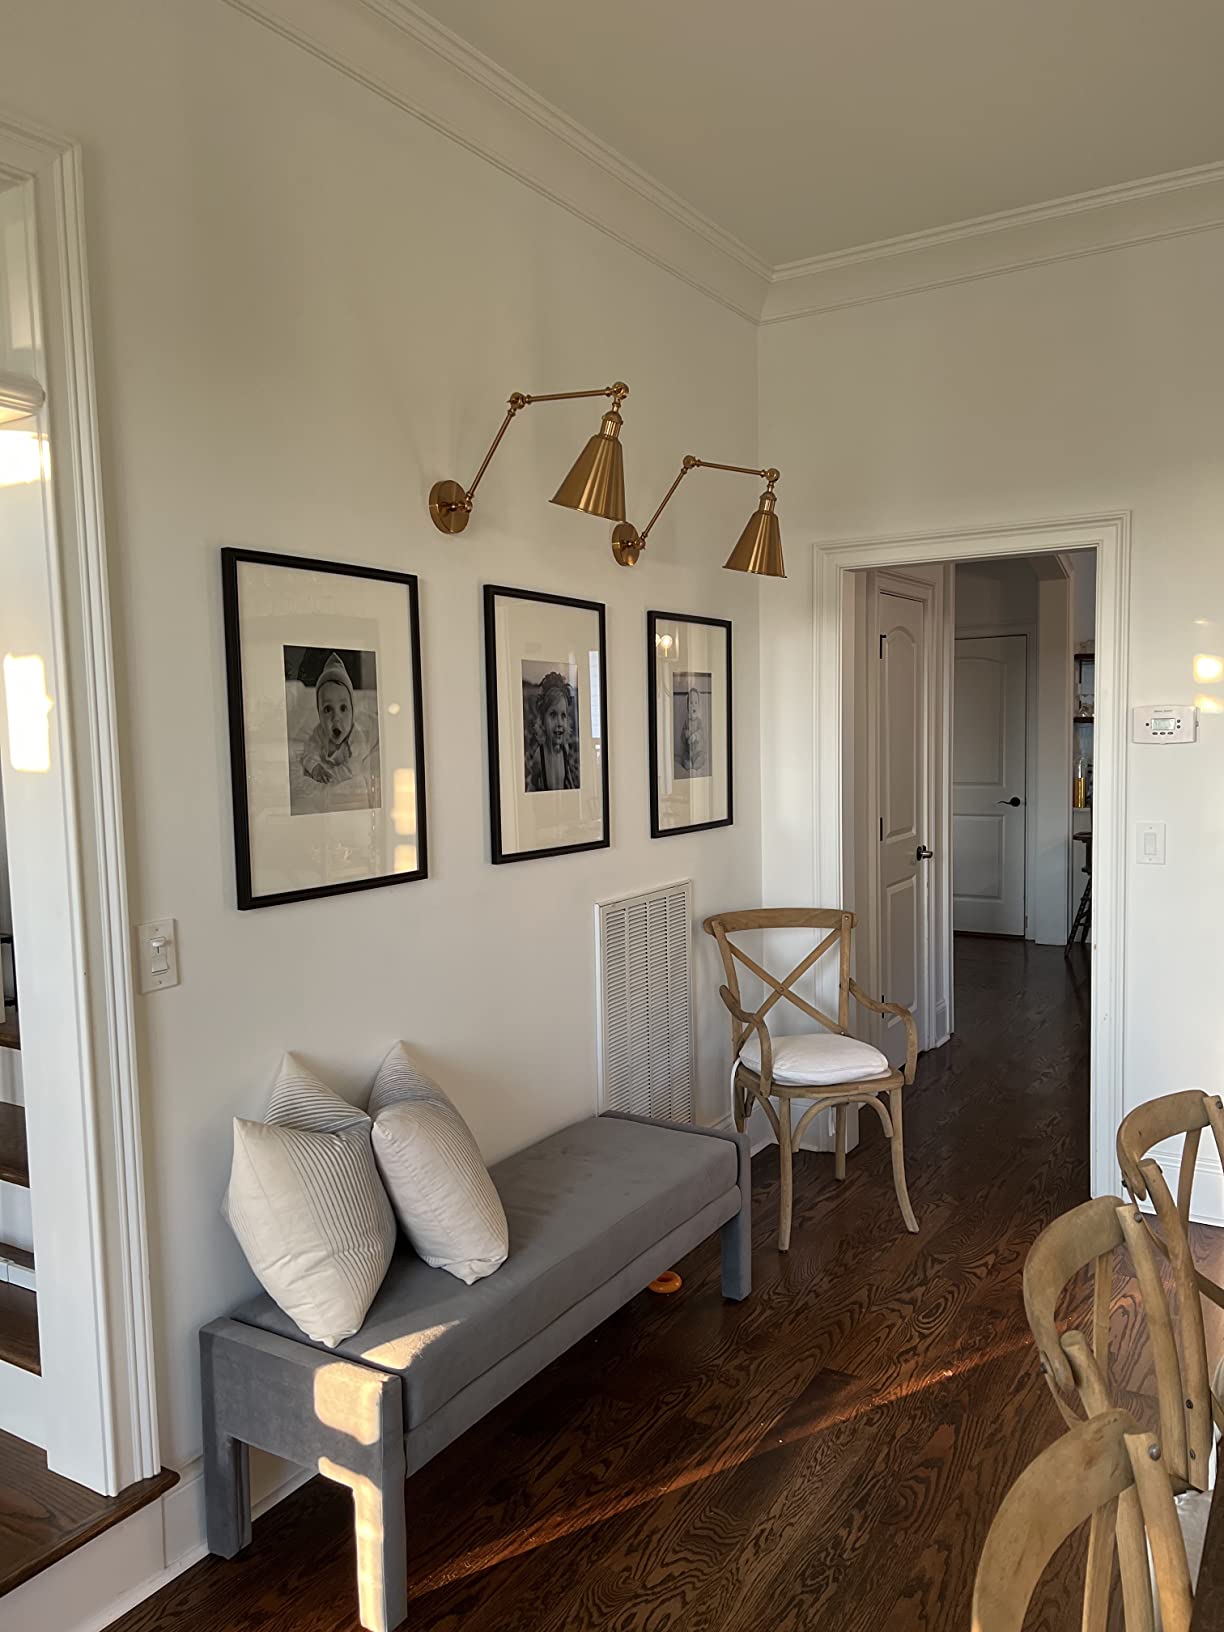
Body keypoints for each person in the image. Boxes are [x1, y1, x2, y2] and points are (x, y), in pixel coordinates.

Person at [525, 671, 579, 791]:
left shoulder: (565, 750)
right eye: (553, 715)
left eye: (563, 715)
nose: (559, 723)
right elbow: (532, 786)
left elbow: (569, 782)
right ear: (543, 720)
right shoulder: (540, 756)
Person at [679, 685, 707, 775]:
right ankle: (689, 764)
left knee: (701, 758)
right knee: (685, 758)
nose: (693, 705)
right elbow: (682, 737)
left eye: (695, 702)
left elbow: (702, 733)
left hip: (698, 751)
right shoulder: (686, 722)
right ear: (687, 707)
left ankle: (695, 765)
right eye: (691, 703)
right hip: (688, 751)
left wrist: (695, 736)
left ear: (698, 706)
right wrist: (686, 734)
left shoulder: (699, 722)